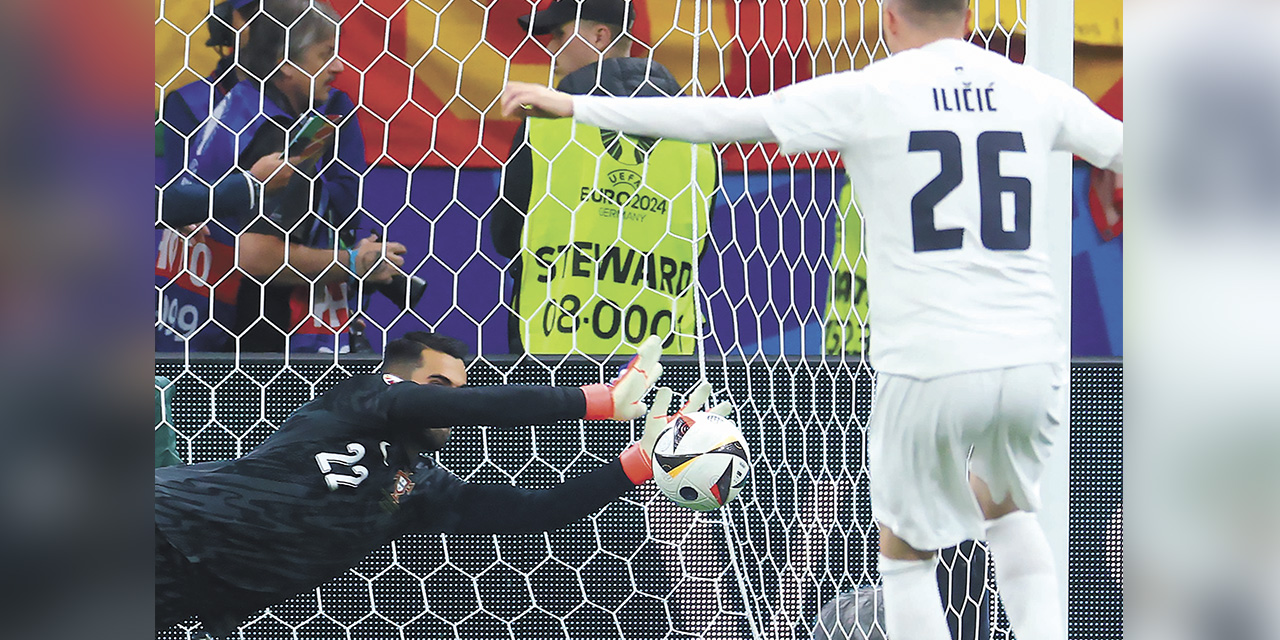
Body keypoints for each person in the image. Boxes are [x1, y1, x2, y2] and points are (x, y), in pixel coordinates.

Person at [501, 0, 1123, 638]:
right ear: (967, 16)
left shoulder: (872, 90)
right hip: (1032, 362)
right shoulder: (1035, 90)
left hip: (931, 362)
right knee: (1014, 518)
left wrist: (577, 105)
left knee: (907, 560)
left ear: (888, 21)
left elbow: (727, 118)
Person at [155, 333, 730, 636]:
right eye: (438, 385)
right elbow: (480, 405)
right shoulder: (362, 398)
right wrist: (595, 400)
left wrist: (638, 464)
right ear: (396, 379)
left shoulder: (421, 489)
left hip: (199, 589)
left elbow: (541, 511)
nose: (449, 403)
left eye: (459, 390)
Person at [490, 0, 717, 355]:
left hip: (555, 348)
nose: (550, 47)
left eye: (559, 33)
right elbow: (697, 243)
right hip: (664, 355)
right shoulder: (696, 136)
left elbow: (506, 236)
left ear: (599, 36)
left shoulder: (548, 124)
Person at [184, 0, 402, 354]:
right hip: (262, 347)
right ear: (285, 64)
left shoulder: (237, 106)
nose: (339, 66)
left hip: (202, 327)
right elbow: (257, 256)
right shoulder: (283, 136)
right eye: (325, 54)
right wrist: (354, 264)